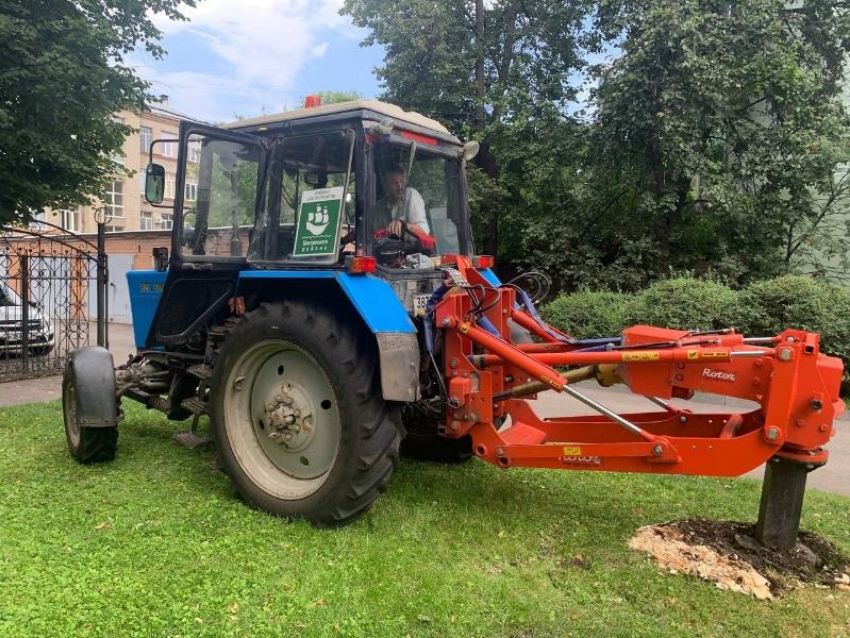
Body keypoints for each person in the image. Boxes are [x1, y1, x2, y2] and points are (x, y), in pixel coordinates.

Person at [375, 166, 430, 236]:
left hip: (412, 246)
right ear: (386, 186)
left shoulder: (410, 194)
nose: (400, 187)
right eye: (395, 183)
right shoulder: (377, 208)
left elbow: (424, 231)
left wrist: (404, 226)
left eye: (402, 182)